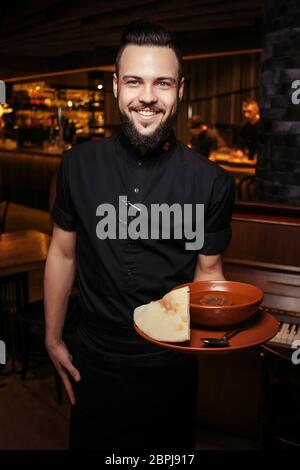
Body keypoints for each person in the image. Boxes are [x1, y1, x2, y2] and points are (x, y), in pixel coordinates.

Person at [44, 20, 235, 450]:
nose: (147, 97)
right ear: (115, 86)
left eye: (162, 83)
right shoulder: (77, 165)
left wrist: (219, 330)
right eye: (134, 81)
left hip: (171, 362)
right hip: (92, 361)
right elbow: (62, 254)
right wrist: (52, 337)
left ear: (180, 89)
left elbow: (209, 272)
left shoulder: (212, 182)